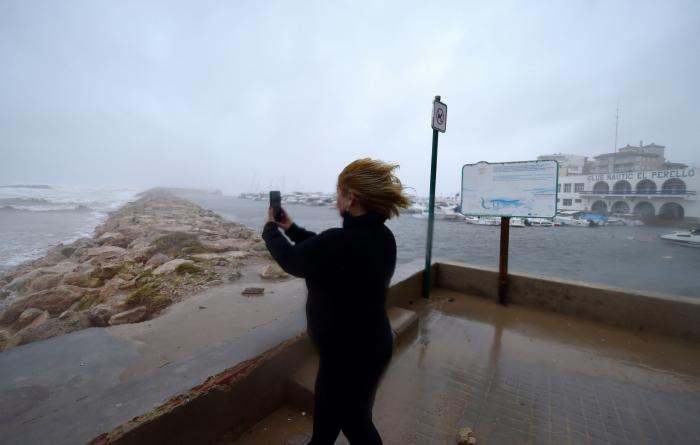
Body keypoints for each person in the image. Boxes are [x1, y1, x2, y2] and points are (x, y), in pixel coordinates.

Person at [262, 158, 411, 444]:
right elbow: (325, 250)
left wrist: (270, 230)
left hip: (349, 357)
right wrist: (291, 229)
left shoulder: (342, 242)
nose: (335, 201)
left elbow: (295, 260)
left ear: (351, 197)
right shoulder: (382, 237)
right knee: (335, 420)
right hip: (369, 347)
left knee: (355, 424)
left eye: (339, 194)